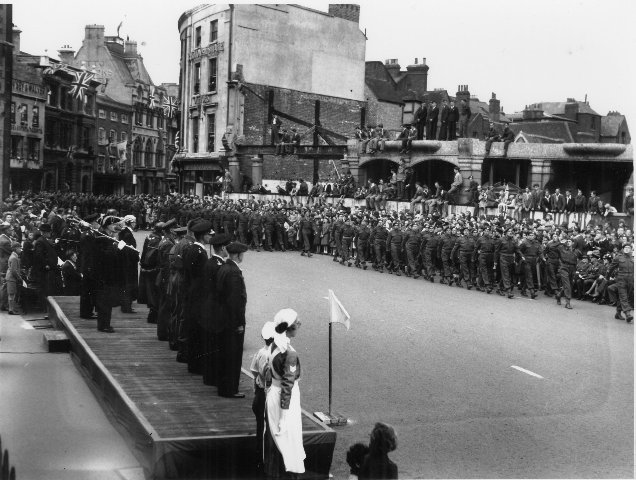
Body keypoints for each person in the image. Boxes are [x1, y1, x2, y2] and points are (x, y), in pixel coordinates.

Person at [264, 308, 306, 478]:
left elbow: (268, 371)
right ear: (288, 327)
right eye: (296, 322)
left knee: (274, 439)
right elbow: (287, 386)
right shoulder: (289, 353)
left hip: (273, 395)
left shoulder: (275, 344)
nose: (299, 324)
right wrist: (283, 416)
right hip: (285, 402)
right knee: (288, 440)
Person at [216, 241, 249, 398]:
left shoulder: (224, 267)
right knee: (233, 355)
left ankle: (225, 386)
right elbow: (235, 301)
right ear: (237, 255)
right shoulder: (234, 272)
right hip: (232, 320)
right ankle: (230, 388)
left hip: (222, 317)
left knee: (225, 354)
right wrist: (239, 323)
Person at [250, 321, 275, 472]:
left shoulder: (260, 352)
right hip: (267, 395)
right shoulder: (271, 355)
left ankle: (261, 459)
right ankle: (265, 462)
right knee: (268, 430)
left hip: (259, 394)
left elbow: (253, 370)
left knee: (261, 428)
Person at [6, 241, 24, 315]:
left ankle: (11, 309)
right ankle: (11, 310)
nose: (20, 249)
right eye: (19, 248)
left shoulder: (13, 256)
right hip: (12, 278)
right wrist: (19, 278)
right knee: (12, 294)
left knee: (11, 294)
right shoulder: (14, 258)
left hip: (10, 277)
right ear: (16, 248)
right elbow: (14, 270)